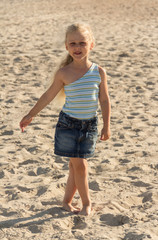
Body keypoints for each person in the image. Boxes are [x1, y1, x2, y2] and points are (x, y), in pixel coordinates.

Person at [20, 23, 111, 216]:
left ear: (91, 45)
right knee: (81, 165)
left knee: (74, 165)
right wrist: (31, 114)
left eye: (82, 42)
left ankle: (66, 202)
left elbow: (104, 100)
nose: (77, 47)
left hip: (90, 125)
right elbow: (48, 96)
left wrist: (106, 126)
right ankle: (87, 203)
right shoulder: (64, 73)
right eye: (73, 43)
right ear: (66, 47)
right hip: (68, 125)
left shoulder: (99, 72)